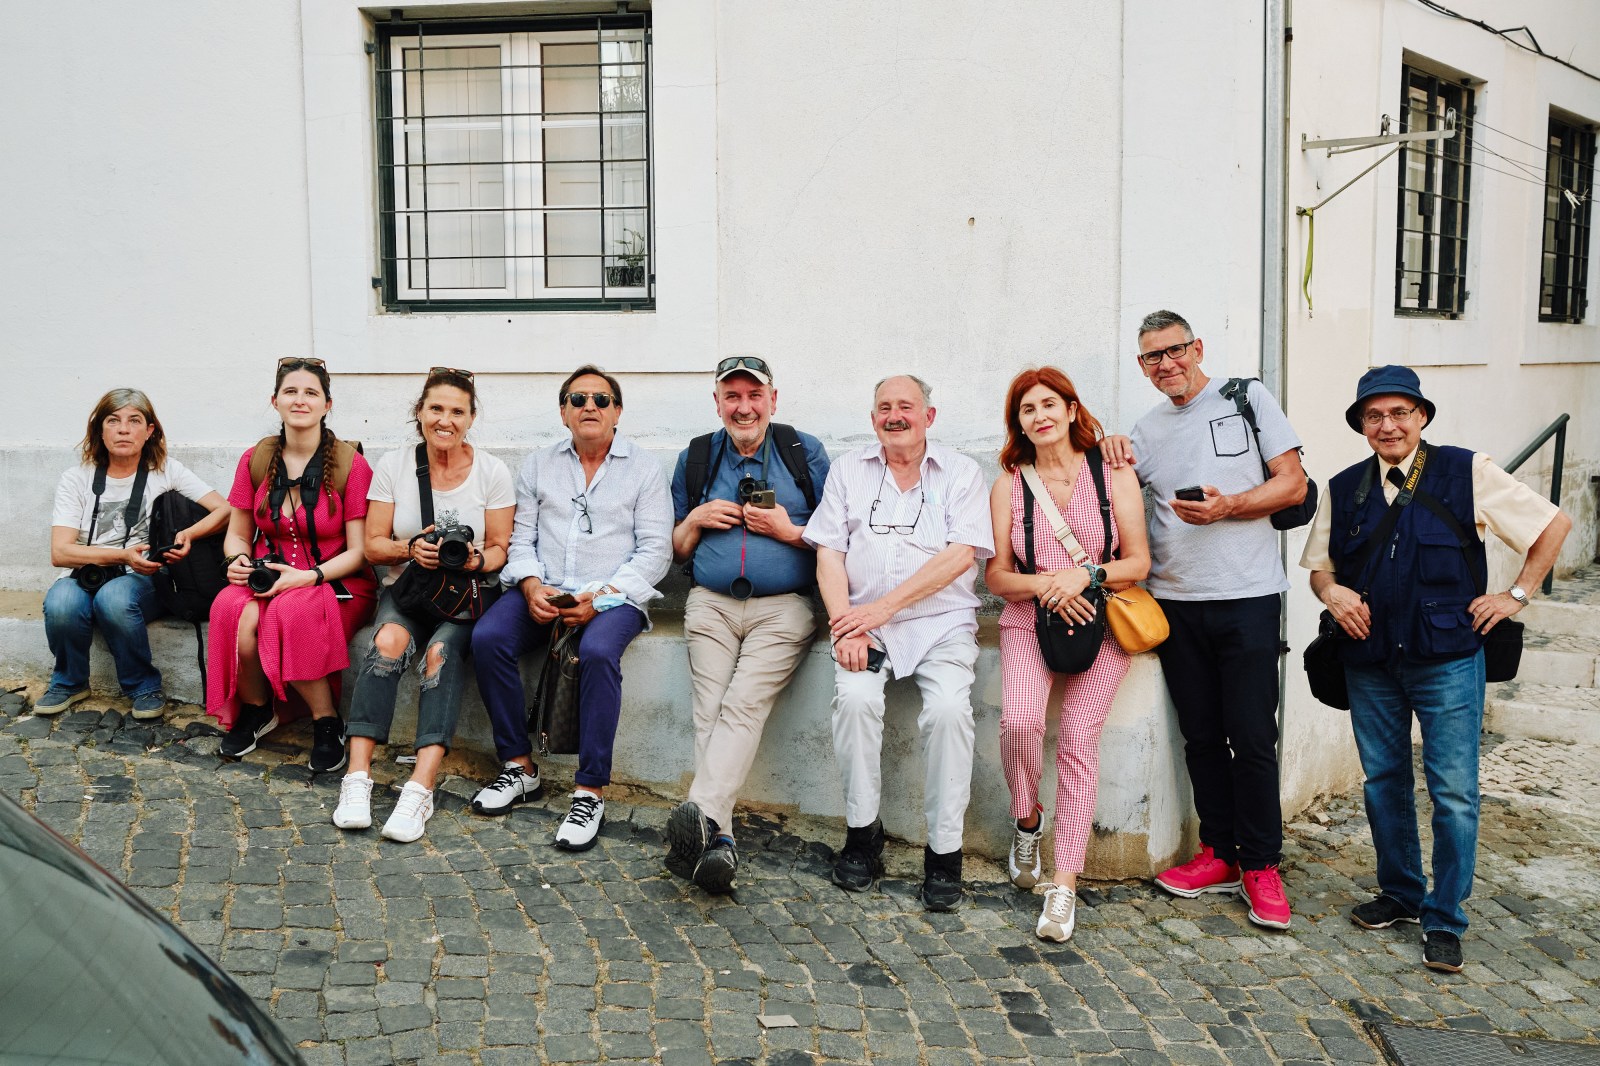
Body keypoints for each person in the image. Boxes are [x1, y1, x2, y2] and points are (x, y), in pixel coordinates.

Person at [1301, 365, 1569, 973]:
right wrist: (1332, 595)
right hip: (1371, 661)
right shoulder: (1344, 489)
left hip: (1448, 659)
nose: (1388, 425)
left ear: (1422, 416)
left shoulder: (1466, 471)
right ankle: (1400, 892)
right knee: (1383, 781)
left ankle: (1445, 916)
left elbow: (1554, 524)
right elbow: (1320, 568)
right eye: (1375, 416)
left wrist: (1517, 595)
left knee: (1453, 792)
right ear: (1362, 426)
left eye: (1400, 413)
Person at [1102, 309, 1309, 931]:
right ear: (1142, 367)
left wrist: (1231, 506)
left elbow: (1293, 486)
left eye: (1174, 351)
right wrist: (1110, 446)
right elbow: (1119, 502)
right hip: (1174, 603)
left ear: (1197, 347)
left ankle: (1262, 864)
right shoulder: (1146, 428)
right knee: (1200, 736)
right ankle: (1219, 854)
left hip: (1246, 597)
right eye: (1151, 358)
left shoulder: (1248, 399)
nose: (1166, 364)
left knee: (1250, 735)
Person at [803, 374, 994, 911]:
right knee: (857, 701)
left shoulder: (960, 473)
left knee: (950, 712)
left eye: (906, 407)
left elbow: (963, 554)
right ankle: (863, 835)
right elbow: (828, 552)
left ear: (928, 417)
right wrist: (845, 621)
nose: (894, 416)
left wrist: (882, 609)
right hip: (864, 623)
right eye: (884, 407)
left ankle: (944, 854)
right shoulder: (848, 470)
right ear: (872, 420)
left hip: (941, 622)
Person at [469, 365, 672, 851]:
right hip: (547, 589)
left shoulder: (644, 468)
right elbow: (521, 539)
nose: (589, 408)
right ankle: (519, 767)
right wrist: (532, 585)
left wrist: (600, 598)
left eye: (601, 400)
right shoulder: (539, 465)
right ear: (563, 412)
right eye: (577, 399)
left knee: (599, 652)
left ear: (617, 412)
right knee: (488, 639)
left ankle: (589, 790)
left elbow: (655, 552)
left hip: (615, 597)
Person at [985, 367, 1150, 942]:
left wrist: (1086, 576)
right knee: (1022, 722)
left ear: (1073, 409)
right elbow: (998, 576)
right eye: (1027, 410)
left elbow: (1138, 562)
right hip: (1031, 618)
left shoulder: (1113, 475)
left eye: (1049, 404)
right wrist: (1049, 586)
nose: (1040, 416)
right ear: (1019, 424)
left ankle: (1064, 885)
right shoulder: (1010, 483)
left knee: (1079, 738)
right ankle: (1027, 821)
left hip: (1102, 620)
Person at [664, 355, 830, 893]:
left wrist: (788, 531)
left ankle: (701, 817)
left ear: (772, 400)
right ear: (717, 404)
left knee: (742, 704)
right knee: (707, 710)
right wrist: (694, 519)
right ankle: (719, 843)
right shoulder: (695, 457)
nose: (744, 406)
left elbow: (838, 539)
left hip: (785, 606)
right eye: (732, 397)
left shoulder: (804, 452)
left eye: (754, 395)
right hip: (710, 602)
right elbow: (675, 549)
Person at [333, 368, 515, 843]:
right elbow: (373, 545)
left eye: (457, 411)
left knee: (440, 654)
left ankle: (420, 786)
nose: (445, 419)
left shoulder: (492, 471)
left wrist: (474, 558)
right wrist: (410, 548)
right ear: (420, 412)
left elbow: (500, 548)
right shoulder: (394, 466)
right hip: (409, 589)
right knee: (388, 641)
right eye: (436, 408)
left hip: (467, 596)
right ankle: (357, 779)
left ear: (471, 417)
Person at [207, 358, 377, 772]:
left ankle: (326, 719)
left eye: (310, 393)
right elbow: (237, 531)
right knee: (229, 608)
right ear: (275, 401)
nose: (300, 400)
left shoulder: (351, 465)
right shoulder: (256, 459)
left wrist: (310, 575)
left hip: (337, 579)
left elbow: (361, 552)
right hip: (272, 573)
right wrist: (238, 560)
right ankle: (256, 708)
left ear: (327, 405)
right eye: (291, 392)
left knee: (289, 611)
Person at [41, 389, 230, 720]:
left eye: (134, 421)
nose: (123, 429)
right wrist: (121, 556)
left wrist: (187, 534)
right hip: (87, 571)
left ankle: (143, 686)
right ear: (100, 430)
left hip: (144, 575)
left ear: (150, 430)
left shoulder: (166, 470)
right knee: (61, 603)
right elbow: (60, 551)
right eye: (113, 421)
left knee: (113, 599)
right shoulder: (76, 478)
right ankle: (70, 682)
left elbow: (225, 511)